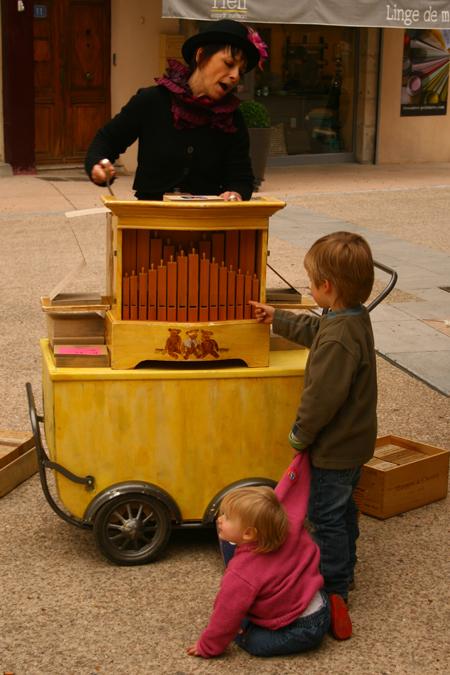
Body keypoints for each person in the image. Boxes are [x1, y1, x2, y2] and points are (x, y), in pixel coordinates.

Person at [250, 231, 377, 640]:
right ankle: (348, 570)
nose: (307, 285)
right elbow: (317, 330)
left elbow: (322, 398)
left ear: (327, 287)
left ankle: (334, 590)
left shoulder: (339, 337)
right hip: (354, 445)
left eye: (310, 280)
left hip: (335, 449)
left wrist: (299, 434)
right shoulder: (350, 316)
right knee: (343, 513)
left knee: (326, 519)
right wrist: (278, 317)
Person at [85, 19, 268, 201]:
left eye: (240, 71)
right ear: (201, 55)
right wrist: (98, 165)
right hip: (150, 220)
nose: (235, 76)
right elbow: (106, 141)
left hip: (208, 222)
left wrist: (235, 193)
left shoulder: (232, 118)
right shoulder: (151, 100)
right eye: (229, 63)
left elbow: (241, 179)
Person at [186, 452, 330, 659]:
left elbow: (226, 613)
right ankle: (330, 610)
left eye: (227, 517)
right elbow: (291, 489)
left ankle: (254, 632)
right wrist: (301, 459)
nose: (219, 519)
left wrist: (208, 646)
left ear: (249, 533)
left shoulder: (242, 573)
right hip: (317, 602)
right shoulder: (289, 526)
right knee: (243, 612)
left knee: (249, 639)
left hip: (301, 629)